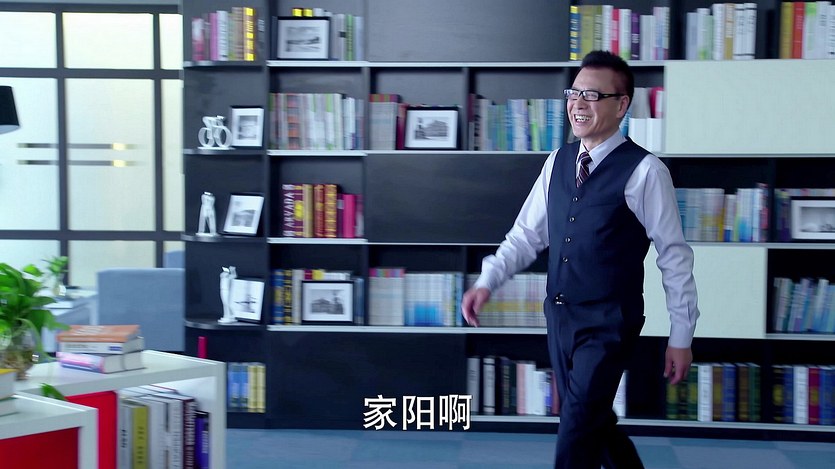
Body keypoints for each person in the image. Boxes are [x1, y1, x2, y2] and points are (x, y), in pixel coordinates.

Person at [461, 50, 700, 469]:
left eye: (592, 95)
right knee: (593, 420)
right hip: (560, 317)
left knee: (575, 427)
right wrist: (488, 280)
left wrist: (682, 335)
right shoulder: (556, 162)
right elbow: (526, 235)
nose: (578, 104)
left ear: (621, 105)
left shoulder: (646, 172)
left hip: (610, 322)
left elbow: (673, 257)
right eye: (574, 93)